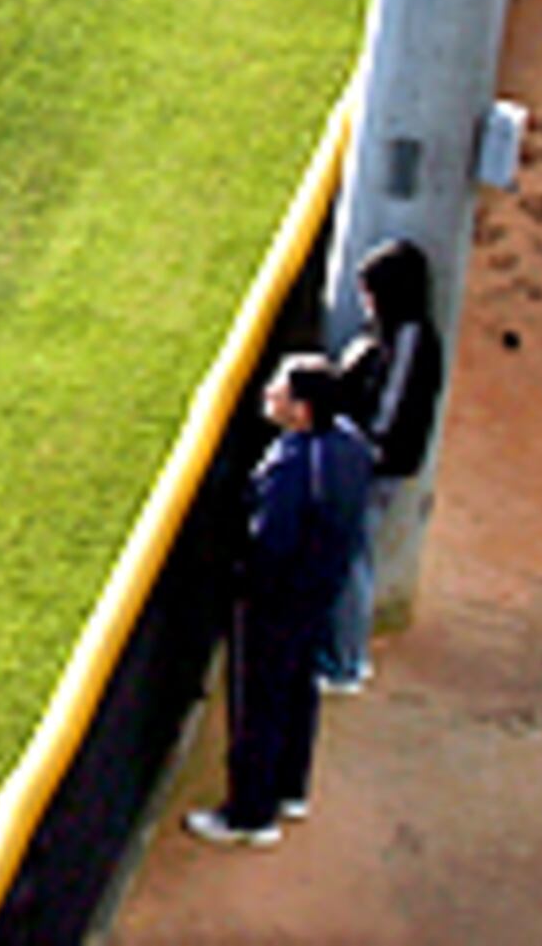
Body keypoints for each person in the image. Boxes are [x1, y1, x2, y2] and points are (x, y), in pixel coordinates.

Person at [188, 353, 374, 848]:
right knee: (297, 691)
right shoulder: (351, 444)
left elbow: (270, 541)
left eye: (280, 391)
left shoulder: (295, 463)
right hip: (319, 595)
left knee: (259, 705)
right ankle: (290, 789)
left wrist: (244, 582)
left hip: (276, 602)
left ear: (303, 409)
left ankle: (250, 815)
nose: (270, 394)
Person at [322, 237, 446, 694]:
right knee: (347, 557)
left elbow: (392, 414)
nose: (366, 303)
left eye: (371, 292)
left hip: (376, 469)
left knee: (352, 561)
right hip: (369, 462)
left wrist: (361, 454)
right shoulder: (391, 333)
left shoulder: (410, 339)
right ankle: (341, 655)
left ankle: (347, 661)